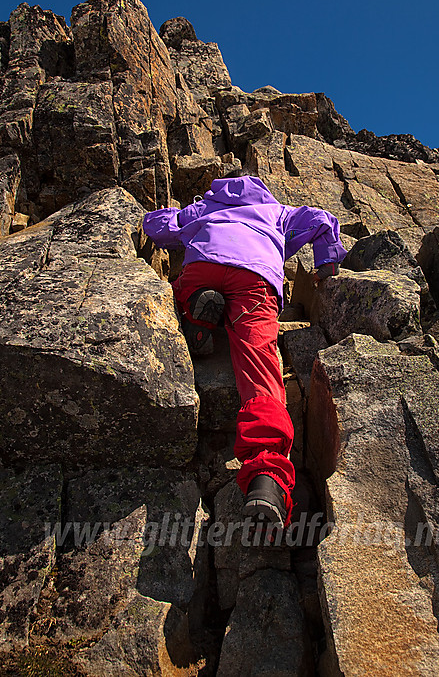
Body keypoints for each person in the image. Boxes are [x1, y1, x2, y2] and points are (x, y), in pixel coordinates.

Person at [142, 173, 347, 530]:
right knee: (260, 365)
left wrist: (169, 217)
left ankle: (199, 314)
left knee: (177, 290)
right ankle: (266, 476)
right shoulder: (277, 212)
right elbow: (322, 220)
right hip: (255, 276)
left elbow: (159, 226)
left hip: (203, 264)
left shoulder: (205, 206)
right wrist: (326, 264)